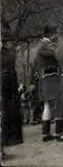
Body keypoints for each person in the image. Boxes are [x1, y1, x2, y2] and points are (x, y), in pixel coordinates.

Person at [31, 24, 63, 141]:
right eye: (56, 33)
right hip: (51, 77)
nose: (57, 36)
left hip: (47, 78)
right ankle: (59, 132)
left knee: (48, 106)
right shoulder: (45, 46)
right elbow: (58, 53)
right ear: (51, 34)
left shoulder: (44, 45)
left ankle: (46, 133)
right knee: (57, 104)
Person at [1, 19, 23, 160]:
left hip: (6, 89)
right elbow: (11, 73)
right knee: (5, 120)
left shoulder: (7, 54)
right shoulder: (8, 56)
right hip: (7, 91)